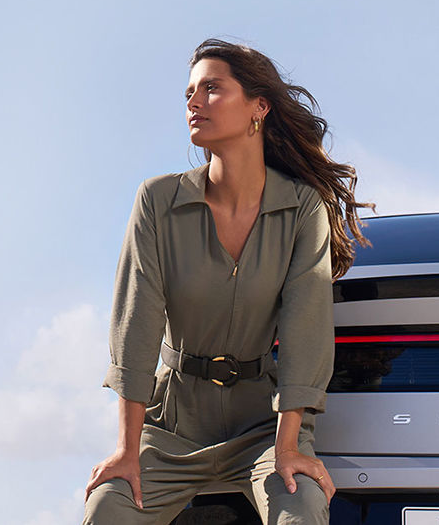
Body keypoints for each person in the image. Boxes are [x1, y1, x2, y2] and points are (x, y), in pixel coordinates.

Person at [84, 38, 373, 525]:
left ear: (259, 107)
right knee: (108, 509)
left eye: (211, 89)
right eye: (189, 93)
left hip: (262, 427)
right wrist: (127, 451)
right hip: (172, 426)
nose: (194, 103)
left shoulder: (302, 207)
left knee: (301, 510)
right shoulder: (157, 201)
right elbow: (136, 325)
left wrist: (288, 446)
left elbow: (306, 328)